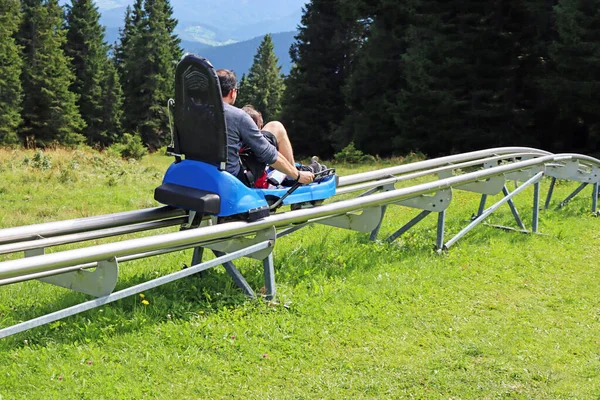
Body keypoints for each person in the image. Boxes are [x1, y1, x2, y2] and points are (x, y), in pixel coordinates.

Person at [216, 69, 317, 186]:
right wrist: (297, 175)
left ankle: (291, 172)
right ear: (232, 92)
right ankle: (292, 176)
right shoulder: (237, 116)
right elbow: (268, 154)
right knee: (275, 126)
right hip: (233, 180)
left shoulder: (194, 113)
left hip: (202, 174)